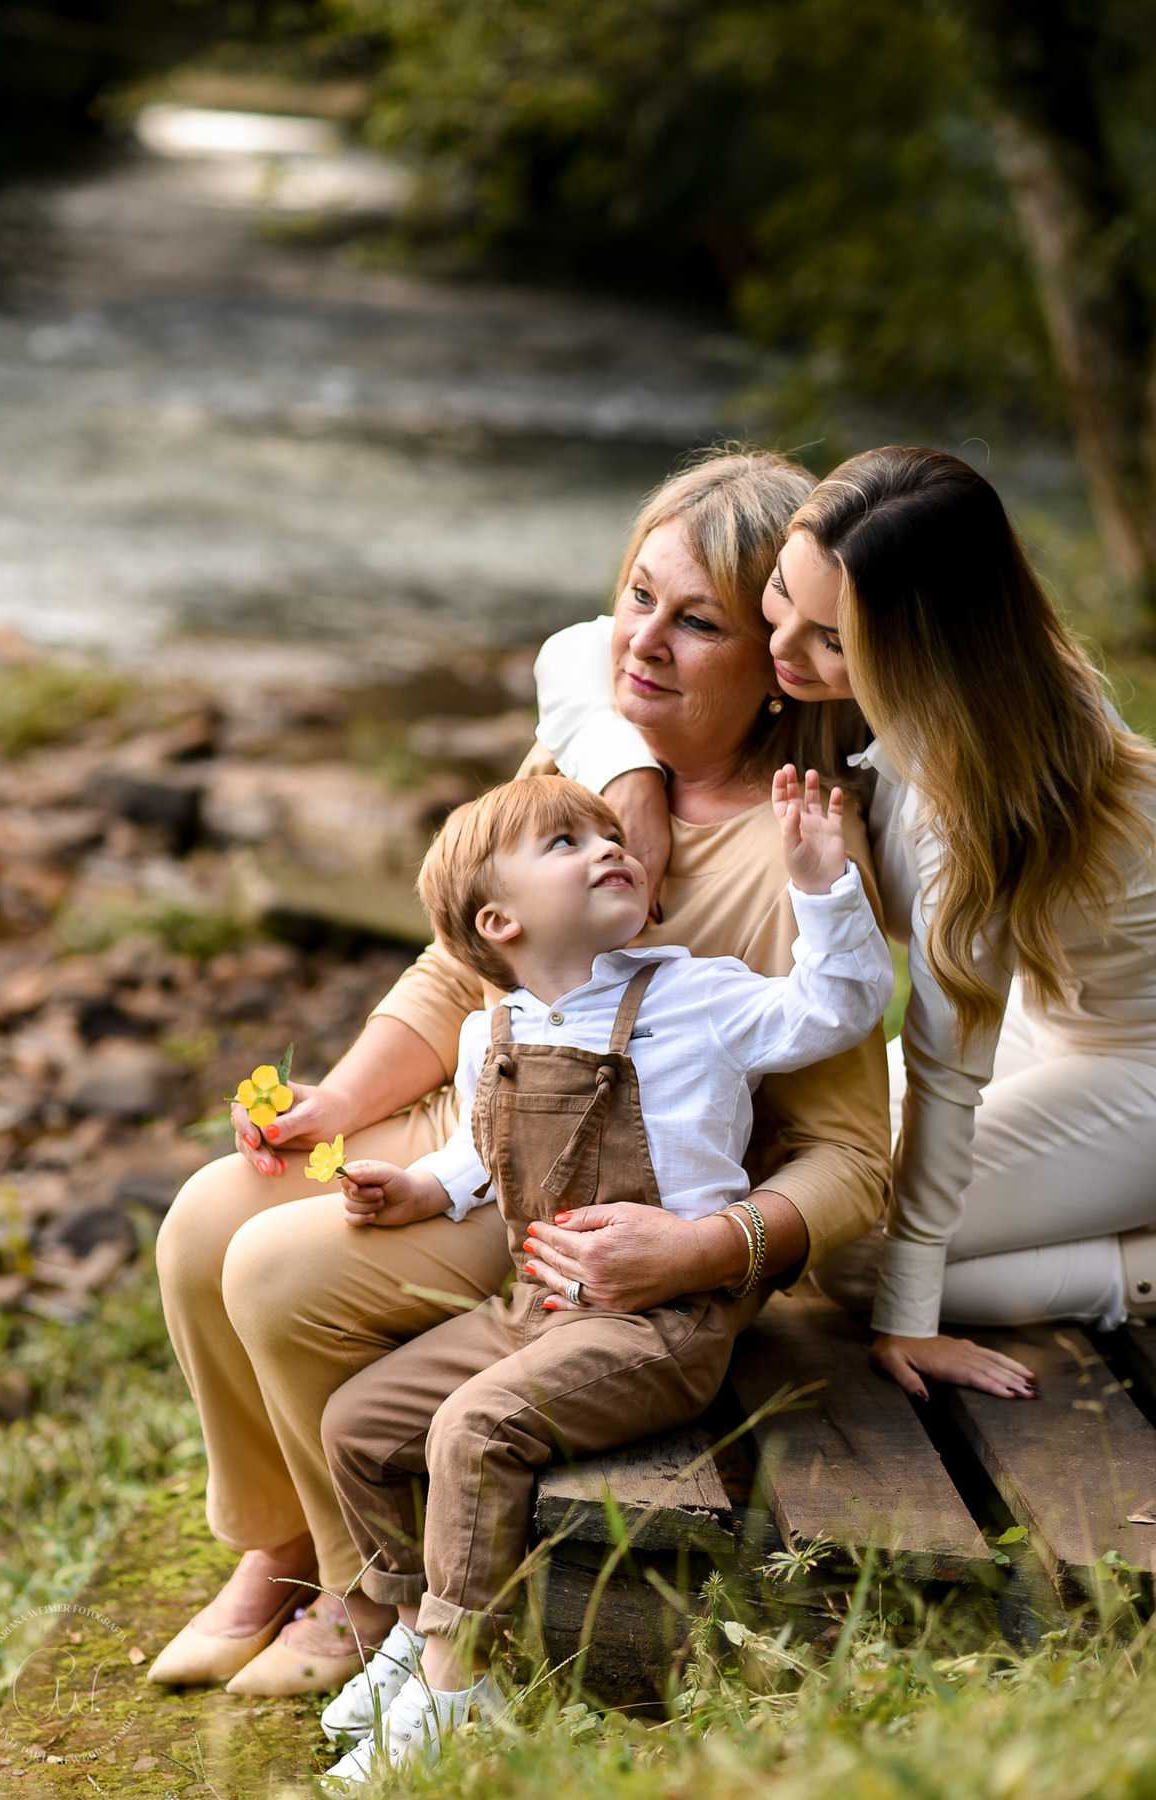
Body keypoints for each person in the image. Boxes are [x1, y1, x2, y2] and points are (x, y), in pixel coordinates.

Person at [148, 449, 892, 1696]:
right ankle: (283, 1542)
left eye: (698, 622)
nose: (642, 641)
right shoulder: (590, 755)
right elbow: (459, 969)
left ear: (778, 653)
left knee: (278, 1268)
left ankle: (365, 1592)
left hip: (609, 1188)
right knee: (204, 1218)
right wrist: (337, 1106)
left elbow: (854, 1158)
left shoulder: (795, 850)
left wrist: (706, 1249)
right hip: (483, 1116)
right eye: (638, 597)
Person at [534, 445, 1156, 1403]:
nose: (781, 649)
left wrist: (909, 1319)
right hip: (1049, 1024)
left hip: (1134, 1061)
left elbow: (948, 1068)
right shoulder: (897, 676)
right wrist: (633, 776)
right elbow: (578, 648)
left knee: (858, 1258)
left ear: (918, 648)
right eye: (780, 596)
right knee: (808, 1180)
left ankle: (1139, 1272)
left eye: (830, 639)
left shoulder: (967, 797)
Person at [314, 770, 891, 1784]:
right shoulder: (488, 1033)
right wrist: (415, 1188)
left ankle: (458, 1692)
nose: (609, 847)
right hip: (535, 1307)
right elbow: (483, 1152)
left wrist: (821, 889)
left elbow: (837, 1009)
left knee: (473, 1429)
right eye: (566, 843)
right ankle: (411, 1632)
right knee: (357, 1424)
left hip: (662, 1323)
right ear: (499, 922)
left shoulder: (698, 994)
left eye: (605, 833)